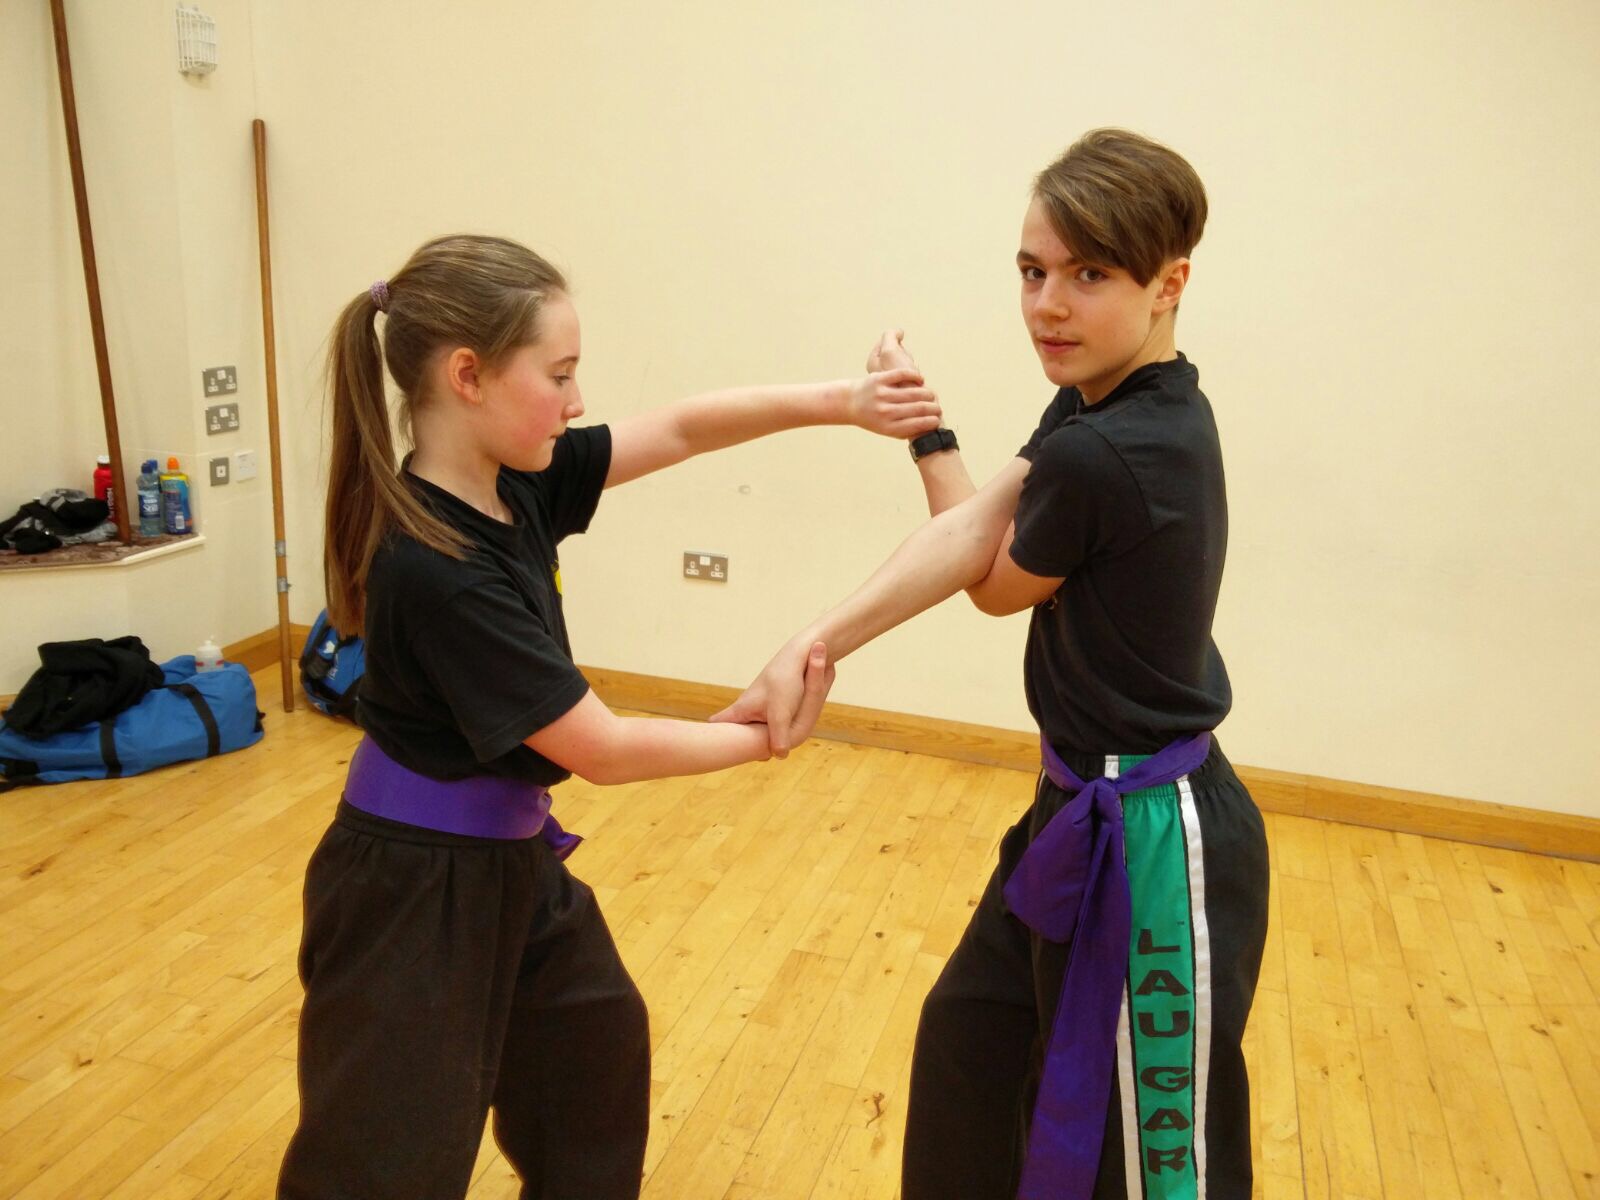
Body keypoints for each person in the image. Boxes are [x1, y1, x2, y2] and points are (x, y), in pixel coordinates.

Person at [277, 233, 942, 1200]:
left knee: (591, 1052)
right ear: (468, 376)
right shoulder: (436, 566)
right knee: (388, 1158)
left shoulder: (513, 481)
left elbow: (675, 429)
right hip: (413, 897)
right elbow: (605, 748)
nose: (580, 402)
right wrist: (765, 734)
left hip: (509, 862)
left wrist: (845, 404)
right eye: (560, 374)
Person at [714, 130, 1270, 1199]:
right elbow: (983, 534)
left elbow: (991, 578)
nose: (1046, 305)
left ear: (1170, 282)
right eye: (1032, 271)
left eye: (1087, 275)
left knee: (1151, 1160)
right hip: (1075, 805)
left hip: (1156, 839)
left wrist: (824, 633)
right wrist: (816, 637)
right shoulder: (1109, 399)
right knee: (972, 1044)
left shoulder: (1111, 445)